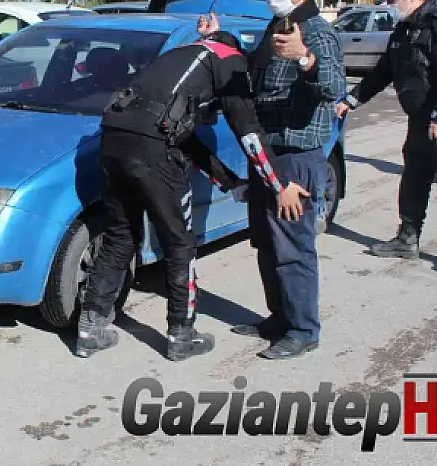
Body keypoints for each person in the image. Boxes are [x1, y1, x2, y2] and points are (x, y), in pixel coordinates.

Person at [75, 18, 309, 362]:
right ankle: (181, 335)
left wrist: (229, 182)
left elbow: (180, 135)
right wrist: (278, 185)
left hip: (114, 139)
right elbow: (248, 132)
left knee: (121, 236)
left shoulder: (178, 57)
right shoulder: (229, 60)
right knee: (179, 243)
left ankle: (88, 331)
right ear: (235, 50)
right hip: (151, 149)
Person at [229, 0, 347, 360]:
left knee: (293, 244)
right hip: (267, 149)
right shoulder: (275, 26)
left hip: (296, 152)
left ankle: (303, 329)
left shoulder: (316, 32)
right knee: (266, 241)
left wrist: (304, 57)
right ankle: (279, 317)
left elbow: (333, 86)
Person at [335, 0, 437, 275]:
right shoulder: (403, 30)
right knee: (413, 180)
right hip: (418, 121)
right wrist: (351, 100)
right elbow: (381, 73)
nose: (391, 5)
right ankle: (408, 237)